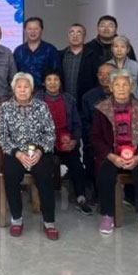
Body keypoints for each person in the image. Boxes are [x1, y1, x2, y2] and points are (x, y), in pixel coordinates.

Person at [92, 68, 138, 239]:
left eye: (125, 85)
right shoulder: (102, 109)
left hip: (137, 156)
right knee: (106, 173)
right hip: (112, 156)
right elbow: (95, 137)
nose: (121, 88)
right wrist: (112, 156)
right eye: (117, 85)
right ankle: (107, 215)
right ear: (111, 87)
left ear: (131, 87)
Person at [0, 72, 58, 240]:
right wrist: (18, 154)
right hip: (15, 152)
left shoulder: (41, 106)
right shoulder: (4, 108)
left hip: (39, 151)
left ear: (32, 89)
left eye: (26, 87)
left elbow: (50, 133)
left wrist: (39, 151)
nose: (23, 90)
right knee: (11, 174)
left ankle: (49, 221)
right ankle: (17, 219)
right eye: (19, 87)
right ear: (13, 89)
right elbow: (2, 136)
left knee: (44, 175)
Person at [35, 71, 92, 215]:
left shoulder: (69, 99)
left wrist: (74, 140)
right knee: (43, 165)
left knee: (76, 165)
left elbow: (77, 124)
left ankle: (81, 198)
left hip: (65, 141)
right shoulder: (37, 100)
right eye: (49, 79)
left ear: (60, 82)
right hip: (45, 142)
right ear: (44, 83)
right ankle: (44, 199)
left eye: (56, 79)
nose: (52, 83)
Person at [80, 63, 114, 191]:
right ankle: (95, 192)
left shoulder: (123, 95)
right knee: (90, 156)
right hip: (97, 141)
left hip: (120, 141)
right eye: (101, 74)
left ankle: (130, 195)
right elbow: (85, 124)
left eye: (108, 74)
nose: (104, 77)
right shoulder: (88, 97)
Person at [85, 15, 136, 85]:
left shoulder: (125, 46)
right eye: (102, 26)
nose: (106, 29)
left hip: (120, 88)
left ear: (116, 29)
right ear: (97, 29)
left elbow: (133, 69)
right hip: (95, 88)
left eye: (110, 26)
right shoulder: (89, 47)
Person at [13, 17, 59, 90]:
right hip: (23, 91)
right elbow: (14, 74)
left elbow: (56, 73)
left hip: (45, 92)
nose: (33, 32)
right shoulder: (18, 51)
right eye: (30, 29)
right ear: (24, 31)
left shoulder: (50, 50)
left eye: (36, 29)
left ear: (41, 30)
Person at [58, 23, 97, 107]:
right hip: (65, 103)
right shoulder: (60, 55)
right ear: (68, 36)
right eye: (71, 32)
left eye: (79, 33)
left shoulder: (93, 56)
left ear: (84, 36)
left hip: (86, 103)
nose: (75, 35)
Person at [106, 35, 138, 101]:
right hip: (113, 102)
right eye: (116, 46)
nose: (119, 50)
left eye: (123, 47)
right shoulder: (106, 66)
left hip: (134, 101)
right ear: (112, 49)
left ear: (128, 49)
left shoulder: (135, 66)